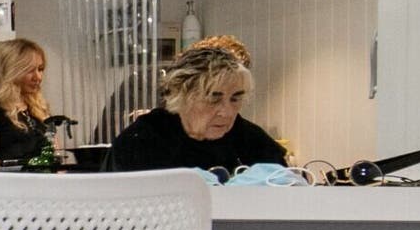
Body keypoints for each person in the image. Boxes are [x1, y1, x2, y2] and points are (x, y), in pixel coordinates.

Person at [110, 35, 290, 174]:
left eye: (235, 99)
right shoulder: (143, 141)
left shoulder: (252, 142)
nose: (226, 113)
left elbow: (289, 191)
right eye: (214, 98)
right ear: (182, 95)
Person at [0, 37, 60, 168]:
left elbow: (56, 155)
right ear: (11, 71)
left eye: (40, 69)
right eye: (30, 70)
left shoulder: (38, 109)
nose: (38, 77)